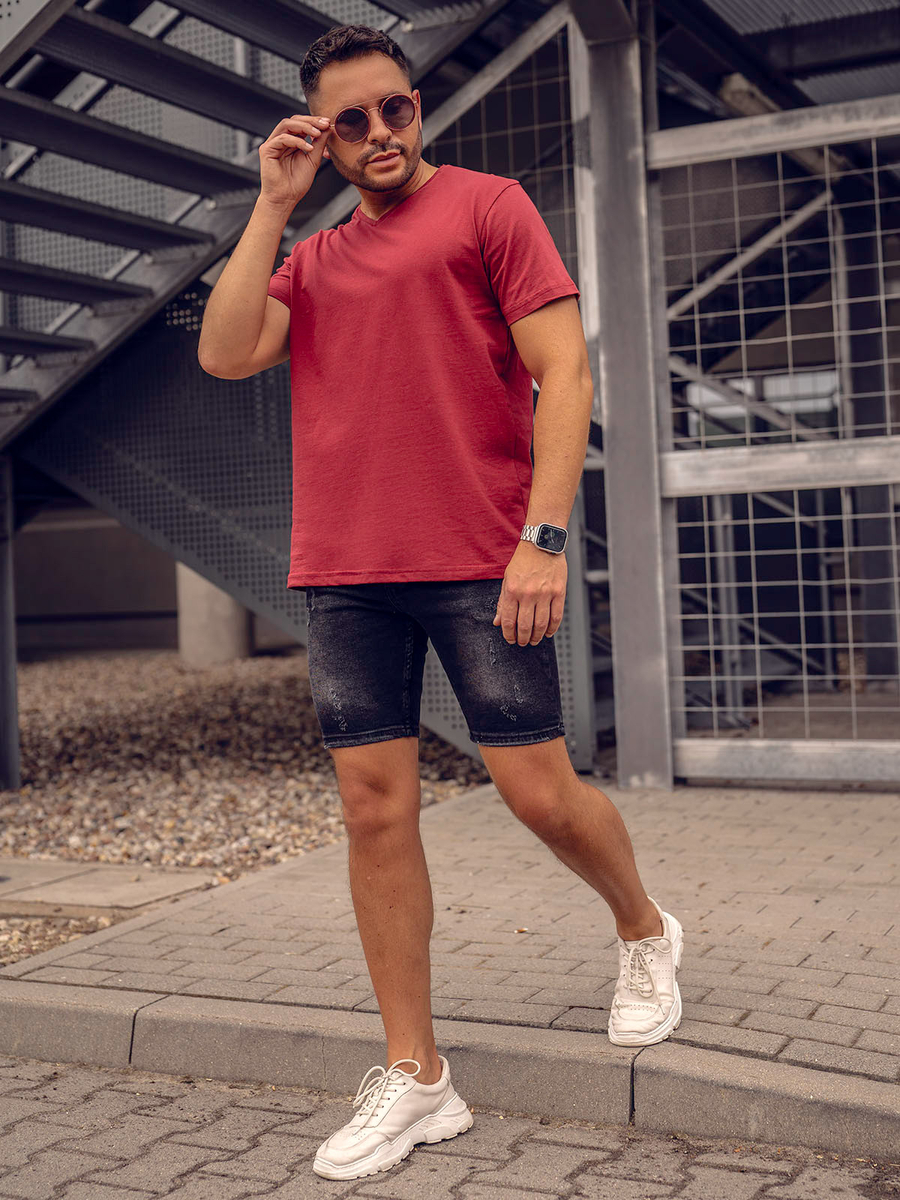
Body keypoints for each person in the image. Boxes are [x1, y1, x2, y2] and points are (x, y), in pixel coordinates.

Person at [198, 22, 684, 1183]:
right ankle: (418, 1075)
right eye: (352, 121)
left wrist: (544, 541)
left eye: (396, 108)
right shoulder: (314, 260)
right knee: (374, 812)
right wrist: (272, 205)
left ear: (417, 108)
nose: (380, 132)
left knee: (539, 794)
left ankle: (643, 927)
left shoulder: (487, 208)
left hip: (479, 561)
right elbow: (225, 351)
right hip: (345, 573)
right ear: (324, 137)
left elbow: (565, 372)